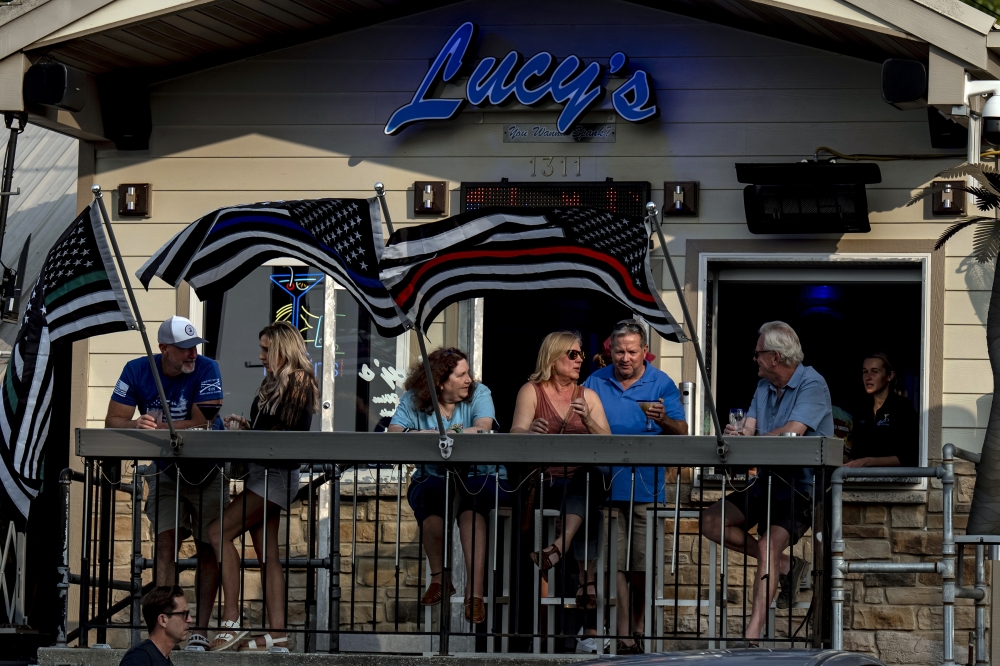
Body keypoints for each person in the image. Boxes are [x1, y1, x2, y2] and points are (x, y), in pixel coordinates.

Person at [701, 321, 834, 647]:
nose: (754, 359)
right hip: (766, 481)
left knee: (766, 546)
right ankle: (785, 564)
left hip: (800, 487)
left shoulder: (812, 384)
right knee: (709, 521)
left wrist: (751, 439)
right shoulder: (763, 386)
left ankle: (751, 637)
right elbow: (749, 432)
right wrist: (736, 436)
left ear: (775, 357)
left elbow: (792, 433)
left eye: (758, 353)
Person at [105, 316, 223, 651]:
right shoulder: (137, 369)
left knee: (208, 548)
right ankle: (166, 628)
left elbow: (204, 421)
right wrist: (136, 422)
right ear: (163, 349)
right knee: (165, 545)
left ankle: (199, 628)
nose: (192, 355)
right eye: (185, 349)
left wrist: (162, 431)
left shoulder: (208, 367)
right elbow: (112, 419)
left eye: (195, 347)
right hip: (166, 471)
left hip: (208, 470)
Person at [206, 322, 318, 651]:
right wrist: (247, 427)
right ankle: (279, 633)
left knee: (217, 532)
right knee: (267, 554)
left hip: (276, 475)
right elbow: (271, 428)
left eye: (267, 349)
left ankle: (230, 620)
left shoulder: (299, 378)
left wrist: (252, 433)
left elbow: (287, 430)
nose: (262, 355)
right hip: (263, 473)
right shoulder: (274, 380)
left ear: (284, 348)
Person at [582, 319, 687, 654]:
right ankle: (626, 632)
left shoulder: (662, 383)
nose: (624, 358)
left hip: (648, 487)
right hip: (608, 486)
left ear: (645, 352)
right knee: (614, 565)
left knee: (643, 566)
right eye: (618, 351)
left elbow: (682, 432)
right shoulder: (595, 381)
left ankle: (638, 624)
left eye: (631, 351)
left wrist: (663, 420)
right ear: (609, 351)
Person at [388, 347, 505, 625]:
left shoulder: (480, 392)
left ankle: (474, 594)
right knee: (430, 507)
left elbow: (483, 428)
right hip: (433, 475)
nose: (469, 380)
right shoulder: (413, 399)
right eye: (461, 375)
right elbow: (393, 433)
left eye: (468, 373)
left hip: (478, 473)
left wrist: (439, 435)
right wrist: (426, 434)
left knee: (472, 506)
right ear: (440, 381)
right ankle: (440, 579)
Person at [511, 331, 611, 611]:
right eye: (573, 354)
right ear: (553, 359)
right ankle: (586, 580)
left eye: (580, 354)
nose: (580, 360)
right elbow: (514, 433)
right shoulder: (531, 391)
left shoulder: (588, 396)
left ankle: (558, 548)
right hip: (548, 483)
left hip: (584, 481)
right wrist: (529, 432)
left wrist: (589, 421)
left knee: (588, 479)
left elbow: (609, 444)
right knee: (587, 500)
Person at [846, 352, 918, 468]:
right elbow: (856, 453)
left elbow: (909, 456)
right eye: (865, 371)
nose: (868, 377)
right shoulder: (861, 409)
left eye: (875, 371)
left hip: (894, 483)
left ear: (890, 376)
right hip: (860, 482)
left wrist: (867, 461)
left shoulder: (902, 408)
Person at [118, 586, 191, 666]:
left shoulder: (161, 660)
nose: (190, 620)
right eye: (184, 614)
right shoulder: (138, 658)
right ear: (163, 620)